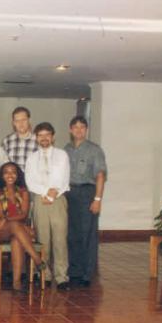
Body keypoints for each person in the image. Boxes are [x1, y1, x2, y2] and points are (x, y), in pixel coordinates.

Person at [25, 122, 71, 290]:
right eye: (40, 135)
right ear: (36, 138)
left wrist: (52, 194)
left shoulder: (62, 155)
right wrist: (45, 192)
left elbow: (64, 179)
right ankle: (44, 274)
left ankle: (61, 276)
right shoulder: (31, 158)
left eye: (47, 135)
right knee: (42, 239)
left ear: (53, 137)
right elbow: (30, 181)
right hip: (40, 199)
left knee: (60, 239)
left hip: (58, 199)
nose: (44, 138)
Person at [64, 116, 107, 288]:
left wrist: (97, 199)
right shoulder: (66, 149)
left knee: (87, 234)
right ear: (70, 130)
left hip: (87, 193)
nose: (79, 130)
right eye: (75, 127)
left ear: (86, 130)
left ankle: (87, 274)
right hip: (69, 193)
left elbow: (100, 175)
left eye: (82, 127)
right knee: (71, 234)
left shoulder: (94, 150)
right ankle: (74, 271)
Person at [0, 162, 46, 292]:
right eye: (6, 172)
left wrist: (7, 219)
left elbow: (24, 215)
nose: (10, 175)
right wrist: (15, 223)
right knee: (16, 226)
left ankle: (16, 282)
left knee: (16, 239)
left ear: (18, 175)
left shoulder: (23, 191)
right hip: (1, 230)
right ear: (1, 175)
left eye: (13, 172)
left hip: (17, 230)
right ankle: (36, 258)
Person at [2, 106, 39, 172]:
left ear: (29, 120)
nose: (21, 123)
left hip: (32, 178)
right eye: (17, 121)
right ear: (13, 123)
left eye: (23, 120)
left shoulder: (38, 140)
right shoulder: (7, 141)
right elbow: (3, 164)